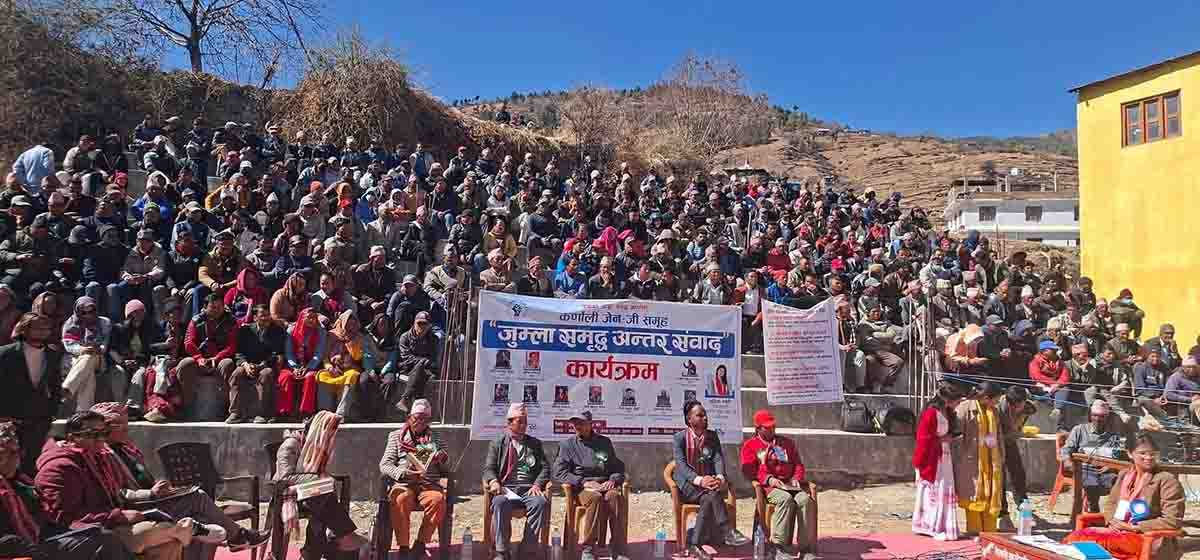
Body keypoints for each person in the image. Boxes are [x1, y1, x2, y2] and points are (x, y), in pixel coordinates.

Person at [87, 403, 269, 551]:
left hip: (152, 499)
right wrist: (150, 493)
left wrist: (161, 488)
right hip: (134, 507)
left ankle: (227, 536)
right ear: (106, 428)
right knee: (197, 497)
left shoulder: (127, 450)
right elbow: (117, 493)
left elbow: (142, 479)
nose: (127, 429)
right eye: (121, 425)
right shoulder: (103, 455)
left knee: (202, 515)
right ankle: (238, 536)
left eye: (127, 423)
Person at [36, 411, 213, 560]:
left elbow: (118, 494)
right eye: (92, 434)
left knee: (170, 543)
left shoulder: (105, 456)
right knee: (158, 530)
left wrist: (148, 497)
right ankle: (188, 529)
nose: (100, 439)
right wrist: (118, 516)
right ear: (71, 438)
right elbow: (65, 518)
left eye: (103, 433)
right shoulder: (58, 468)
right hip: (93, 531)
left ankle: (190, 529)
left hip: (124, 514)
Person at [0, 421, 130, 560]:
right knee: (105, 541)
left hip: (51, 535)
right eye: (5, 453)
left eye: (17, 451)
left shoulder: (22, 481)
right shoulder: (59, 467)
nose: (15, 457)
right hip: (29, 547)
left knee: (105, 536)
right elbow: (64, 515)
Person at [1064, 434, 1185, 560]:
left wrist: (1133, 527)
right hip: (1119, 531)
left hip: (1148, 538)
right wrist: (1113, 521)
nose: (1148, 457)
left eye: (1153, 454)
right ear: (1130, 453)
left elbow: (1172, 521)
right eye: (1143, 453)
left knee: (1090, 541)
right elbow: (1111, 504)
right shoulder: (1124, 475)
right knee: (1075, 538)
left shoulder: (1166, 480)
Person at [268, 411, 366, 560]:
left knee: (321, 497)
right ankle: (342, 537)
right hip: (287, 494)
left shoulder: (316, 447)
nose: (331, 436)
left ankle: (314, 552)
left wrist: (322, 480)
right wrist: (318, 479)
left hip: (309, 493)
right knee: (321, 496)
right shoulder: (291, 444)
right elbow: (285, 477)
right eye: (329, 431)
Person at [671, 400, 747, 560]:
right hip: (688, 486)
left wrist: (719, 477)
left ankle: (694, 545)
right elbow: (681, 466)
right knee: (711, 493)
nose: (705, 418)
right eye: (700, 415)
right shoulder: (679, 438)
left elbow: (718, 459)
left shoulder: (711, 436)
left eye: (705, 414)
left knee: (709, 496)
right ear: (689, 419)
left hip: (708, 486)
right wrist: (700, 480)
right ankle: (727, 531)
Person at [379, 399, 449, 560]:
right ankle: (403, 548)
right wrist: (403, 473)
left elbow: (447, 465)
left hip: (428, 483)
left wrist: (442, 458)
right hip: (405, 482)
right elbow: (385, 465)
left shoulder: (436, 437)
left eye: (425, 419)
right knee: (401, 498)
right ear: (409, 418)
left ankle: (420, 544)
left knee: (438, 500)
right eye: (417, 418)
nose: (420, 422)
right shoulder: (396, 436)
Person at [554, 410, 629, 560]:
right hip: (583, 488)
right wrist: (584, 482)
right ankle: (588, 549)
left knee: (614, 497)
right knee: (595, 498)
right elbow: (559, 472)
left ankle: (617, 549)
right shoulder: (567, 445)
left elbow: (618, 467)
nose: (577, 426)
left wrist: (613, 480)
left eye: (581, 423)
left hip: (604, 485)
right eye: (575, 423)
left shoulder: (604, 442)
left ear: (590, 424)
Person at [740, 409, 814, 558]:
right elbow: (749, 470)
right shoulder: (750, 445)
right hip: (769, 487)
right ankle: (779, 547)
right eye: (767, 427)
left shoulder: (787, 443)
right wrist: (769, 479)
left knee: (805, 500)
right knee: (785, 499)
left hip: (789, 484)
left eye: (773, 426)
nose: (772, 430)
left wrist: (796, 478)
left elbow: (798, 464)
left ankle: (805, 548)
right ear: (758, 428)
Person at [482, 403, 550, 560]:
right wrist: (494, 481)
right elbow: (489, 468)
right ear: (509, 422)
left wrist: (537, 484)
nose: (523, 425)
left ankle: (527, 550)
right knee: (499, 502)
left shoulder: (534, 444)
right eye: (519, 422)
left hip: (528, 489)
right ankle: (501, 551)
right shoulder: (498, 443)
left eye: (525, 422)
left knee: (539, 502)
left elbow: (545, 468)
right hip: (506, 489)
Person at [0, 313, 62, 475]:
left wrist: (52, 411)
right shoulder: (6, 353)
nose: (42, 331)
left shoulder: (52, 354)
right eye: (37, 327)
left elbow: (55, 385)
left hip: (39, 417)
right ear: (25, 329)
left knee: (32, 461)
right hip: (10, 416)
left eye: (46, 328)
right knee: (8, 460)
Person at [912, 384, 965, 541]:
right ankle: (931, 525)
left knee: (944, 489)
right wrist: (941, 440)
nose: (958, 404)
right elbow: (923, 439)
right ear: (948, 400)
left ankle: (942, 524)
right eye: (957, 401)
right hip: (934, 458)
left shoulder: (946, 412)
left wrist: (949, 437)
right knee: (935, 491)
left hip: (944, 456)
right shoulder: (931, 413)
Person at [953, 382, 1005, 534]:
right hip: (971, 461)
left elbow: (998, 435)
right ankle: (974, 531)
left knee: (991, 496)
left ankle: (990, 532)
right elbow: (956, 435)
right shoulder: (964, 408)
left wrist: (1001, 454)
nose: (997, 403)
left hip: (992, 460)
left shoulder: (993, 411)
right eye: (996, 400)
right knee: (974, 496)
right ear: (987, 398)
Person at [1061, 400, 1130, 513]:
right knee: (1090, 483)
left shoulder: (1114, 434)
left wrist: (1111, 466)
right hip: (1085, 468)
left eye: (1102, 416)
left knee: (1120, 482)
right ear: (1090, 415)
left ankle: (1116, 514)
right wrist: (1067, 461)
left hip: (1106, 470)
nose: (1098, 419)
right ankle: (1093, 510)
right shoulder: (1080, 430)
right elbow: (1067, 449)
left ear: (1107, 417)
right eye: (1095, 415)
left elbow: (1119, 455)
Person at [178, 294, 237, 420]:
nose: (217, 310)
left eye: (220, 307)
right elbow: (189, 342)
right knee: (185, 364)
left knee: (227, 364)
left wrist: (217, 358)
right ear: (205, 307)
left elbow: (231, 346)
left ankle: (227, 408)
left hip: (220, 359)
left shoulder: (231, 321)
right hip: (200, 359)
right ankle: (187, 406)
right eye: (213, 307)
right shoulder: (196, 320)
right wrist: (199, 358)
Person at [230, 304, 285, 423]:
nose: (266, 318)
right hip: (248, 365)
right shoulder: (245, 331)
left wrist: (261, 366)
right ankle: (235, 412)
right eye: (262, 315)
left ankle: (261, 413)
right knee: (237, 374)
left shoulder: (277, 331)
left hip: (267, 365)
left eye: (268, 315)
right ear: (255, 317)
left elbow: (276, 354)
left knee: (266, 374)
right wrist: (245, 365)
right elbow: (239, 352)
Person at [61, 296, 116, 412]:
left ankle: (67, 388)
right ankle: (84, 411)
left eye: (91, 311)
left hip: (98, 357)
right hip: (75, 357)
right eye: (83, 312)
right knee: (87, 372)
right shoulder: (70, 323)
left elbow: (105, 343)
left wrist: (97, 348)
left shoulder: (104, 322)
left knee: (89, 357)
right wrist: (82, 349)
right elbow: (69, 345)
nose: (88, 315)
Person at [995, 386, 1036, 527]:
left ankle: (1023, 509)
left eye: (1019, 405)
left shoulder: (1028, 409)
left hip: (1010, 442)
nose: (1016, 408)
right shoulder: (997, 409)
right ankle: (1003, 514)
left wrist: (1016, 432)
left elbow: (1018, 426)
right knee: (1000, 478)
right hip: (997, 444)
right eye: (1013, 406)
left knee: (1018, 474)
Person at [278, 308, 326, 420]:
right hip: (293, 365)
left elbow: (319, 354)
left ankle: (306, 412)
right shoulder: (292, 330)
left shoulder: (320, 331)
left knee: (311, 377)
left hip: (312, 365)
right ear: (302, 318)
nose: (312, 320)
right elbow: (289, 352)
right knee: (286, 377)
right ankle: (284, 412)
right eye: (309, 318)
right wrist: (295, 367)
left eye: (314, 318)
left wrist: (308, 368)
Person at [394, 311, 438, 416]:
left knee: (421, 371)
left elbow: (433, 357)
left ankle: (405, 400)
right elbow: (406, 357)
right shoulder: (405, 337)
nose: (422, 326)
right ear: (414, 323)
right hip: (408, 368)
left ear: (429, 326)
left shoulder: (433, 339)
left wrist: (424, 363)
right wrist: (422, 361)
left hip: (427, 369)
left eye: (425, 324)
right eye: (419, 323)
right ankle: (417, 412)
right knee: (420, 370)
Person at [1163, 356, 1200, 422]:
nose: (1192, 369)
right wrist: (1189, 399)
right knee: (1198, 404)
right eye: (1188, 367)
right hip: (1185, 405)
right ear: (1183, 367)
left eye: (1194, 367)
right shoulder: (1176, 377)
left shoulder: (1197, 376)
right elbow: (1168, 394)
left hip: (1196, 400)